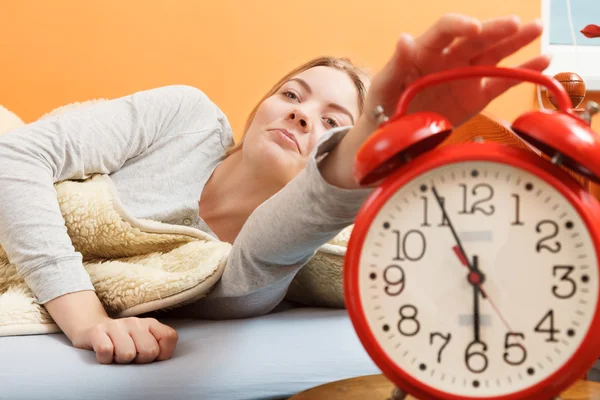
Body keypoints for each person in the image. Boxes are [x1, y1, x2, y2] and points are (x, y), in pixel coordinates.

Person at [0, 14, 549, 365]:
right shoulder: (185, 118)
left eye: (335, 122)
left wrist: (364, 148)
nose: (302, 114)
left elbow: (290, 231)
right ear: (261, 104)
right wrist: (86, 317)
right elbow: (16, 154)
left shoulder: (259, 267)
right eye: (293, 92)